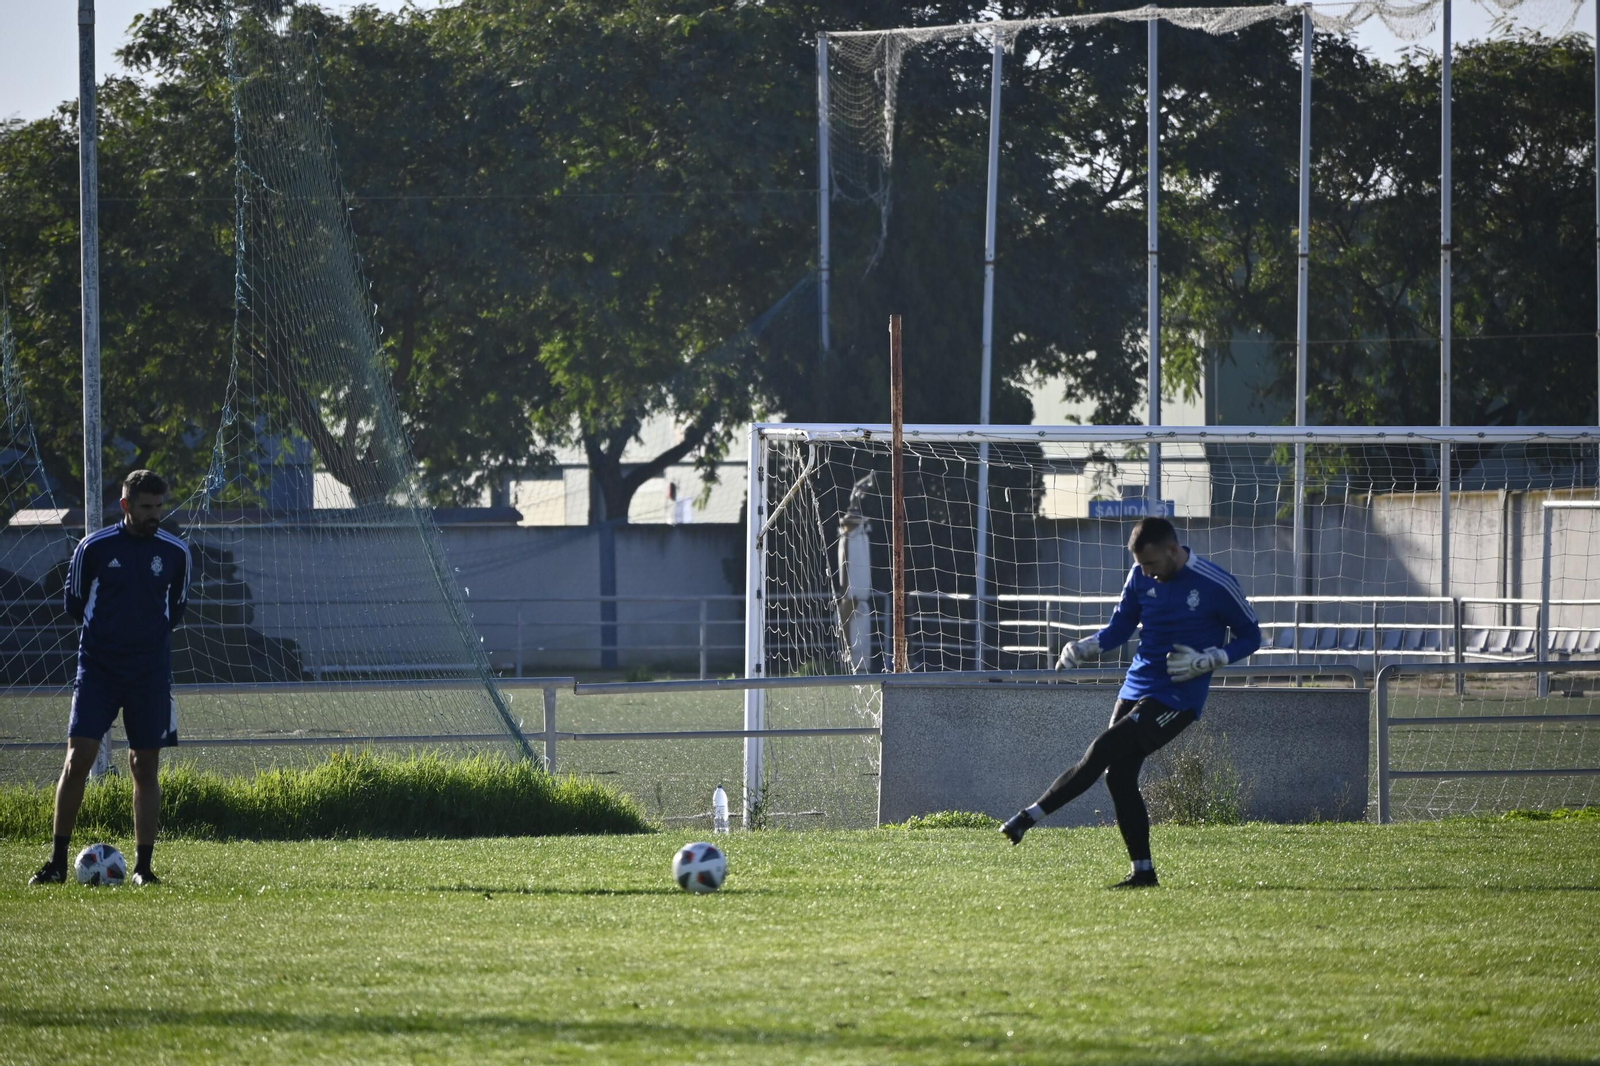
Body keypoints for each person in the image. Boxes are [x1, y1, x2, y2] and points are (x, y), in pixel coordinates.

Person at [998, 516, 1260, 888]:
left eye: (1152, 564)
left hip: (1178, 697)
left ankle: (1028, 818)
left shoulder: (1215, 583)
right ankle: (1143, 872)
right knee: (1118, 776)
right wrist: (1084, 646)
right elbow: (1120, 627)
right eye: (1141, 565)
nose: (1147, 573)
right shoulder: (1140, 575)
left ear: (1172, 549)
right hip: (1137, 685)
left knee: (1102, 748)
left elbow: (1252, 636)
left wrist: (1212, 658)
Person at [29, 470, 190, 886]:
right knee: (78, 757)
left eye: (159, 506)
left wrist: (142, 643)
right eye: (145, 507)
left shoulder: (176, 552)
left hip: (149, 673)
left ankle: (143, 868)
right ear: (126, 506)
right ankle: (58, 863)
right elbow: (74, 602)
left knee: (144, 765)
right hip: (98, 670)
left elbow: (176, 609)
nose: (155, 515)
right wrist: (110, 642)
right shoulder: (94, 548)